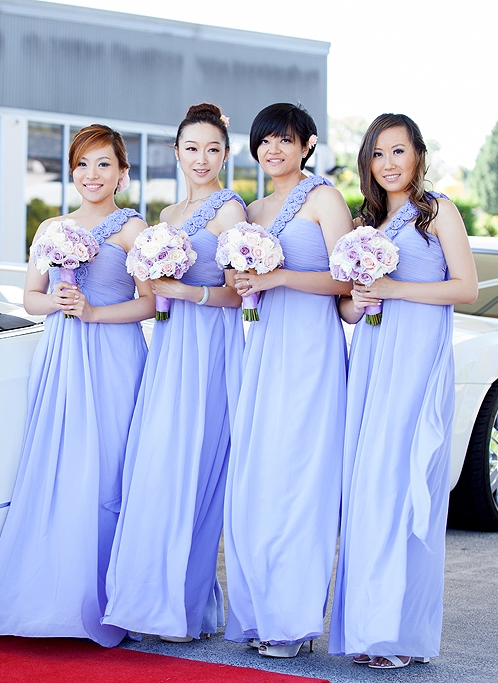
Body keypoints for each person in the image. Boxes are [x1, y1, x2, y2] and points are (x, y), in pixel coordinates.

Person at [0, 124, 154, 647]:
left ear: (122, 172)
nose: (92, 174)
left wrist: (93, 312)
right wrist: (59, 300)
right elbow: (30, 297)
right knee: (60, 465)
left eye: (103, 164)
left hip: (115, 355)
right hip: (62, 355)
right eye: (82, 164)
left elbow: (151, 303)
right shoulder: (52, 228)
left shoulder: (133, 230)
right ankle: (50, 595)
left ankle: (109, 599)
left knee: (109, 470)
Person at [328, 114, 477, 670]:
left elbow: (466, 287)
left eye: (398, 151)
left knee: (404, 485)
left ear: (418, 154)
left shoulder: (437, 211)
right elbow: (347, 307)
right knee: (368, 489)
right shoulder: (365, 223)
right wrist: (360, 298)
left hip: (416, 362)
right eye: (378, 153)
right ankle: (368, 629)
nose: (388, 164)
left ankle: (400, 634)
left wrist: (395, 288)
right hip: (371, 361)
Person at [102, 103, 245, 642]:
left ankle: (183, 606)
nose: (201, 159)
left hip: (210, 345)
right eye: (192, 148)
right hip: (170, 345)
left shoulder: (231, 211)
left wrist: (187, 292)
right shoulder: (165, 216)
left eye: (212, 149)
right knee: (160, 465)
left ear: (225, 154)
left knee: (196, 467)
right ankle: (154, 598)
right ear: (177, 153)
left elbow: (239, 294)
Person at [221, 102, 352, 657]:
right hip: (263, 349)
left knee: (301, 483)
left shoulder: (324, 198)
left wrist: (279, 277)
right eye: (265, 140)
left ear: (307, 145)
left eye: (285, 139)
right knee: (260, 482)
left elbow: (346, 279)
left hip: (311, 351)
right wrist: (243, 279)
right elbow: (240, 284)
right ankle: (261, 613)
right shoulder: (251, 211)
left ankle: (294, 623)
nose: (273, 149)